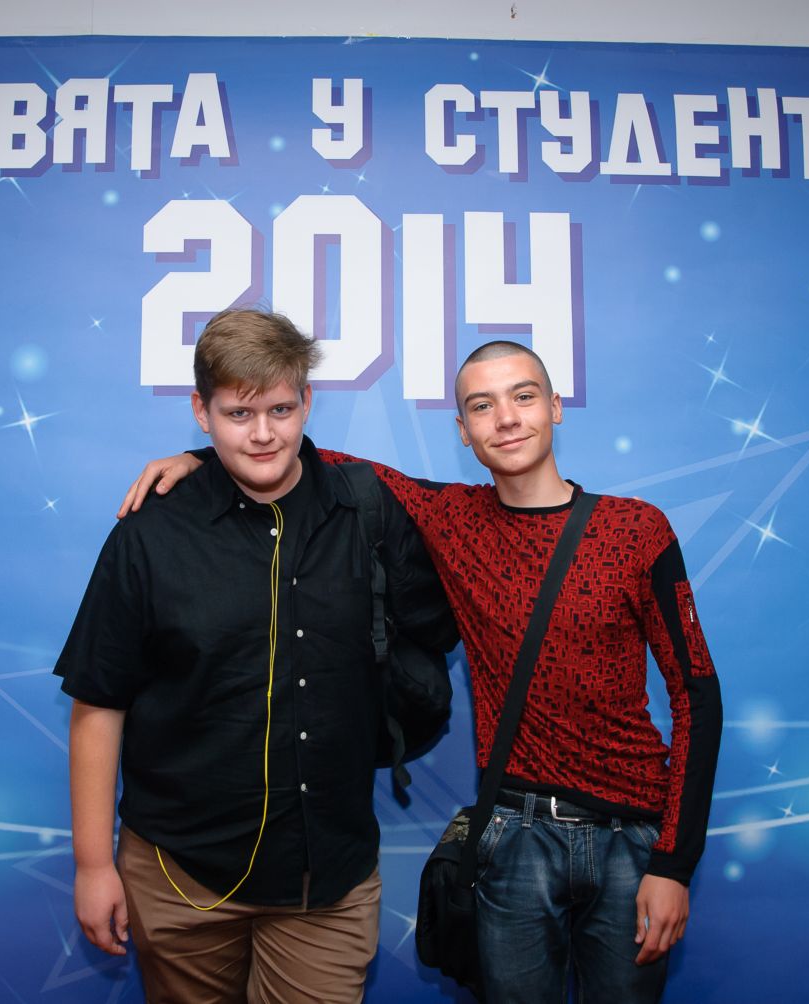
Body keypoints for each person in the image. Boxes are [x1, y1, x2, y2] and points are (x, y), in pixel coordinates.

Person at [123, 340, 723, 1003]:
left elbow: (696, 694)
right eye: (482, 406)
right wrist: (204, 459)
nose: (506, 418)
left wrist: (674, 863)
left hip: (631, 839)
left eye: (524, 397)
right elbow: (305, 458)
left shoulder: (636, 529)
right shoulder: (451, 517)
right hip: (514, 834)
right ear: (463, 431)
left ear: (555, 407)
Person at [54, 308, 457, 1003]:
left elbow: (449, 603)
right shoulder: (150, 533)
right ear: (201, 412)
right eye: (238, 413)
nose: (263, 433)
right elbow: (99, 702)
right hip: (179, 877)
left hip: (327, 882)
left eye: (280, 409)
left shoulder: (368, 510)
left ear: (307, 402)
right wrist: (93, 865)